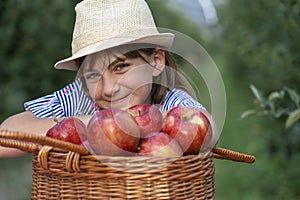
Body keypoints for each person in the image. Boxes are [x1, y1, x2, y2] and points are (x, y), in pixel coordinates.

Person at [0, 0, 218, 158]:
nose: (109, 88)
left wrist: (137, 124)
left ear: (156, 61)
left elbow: (209, 130)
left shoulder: (171, 105)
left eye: (121, 67)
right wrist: (92, 125)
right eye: (93, 75)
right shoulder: (79, 100)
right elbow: (6, 137)